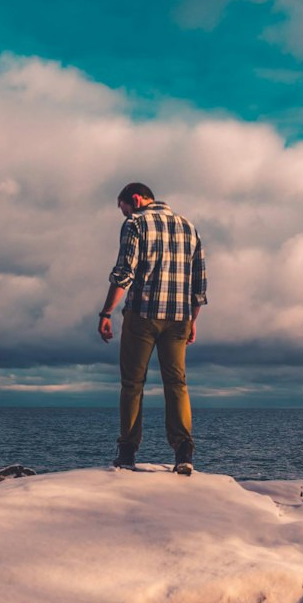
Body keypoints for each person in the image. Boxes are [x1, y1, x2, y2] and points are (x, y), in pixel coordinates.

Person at [97, 182, 207, 475]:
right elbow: (199, 285)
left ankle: (127, 452)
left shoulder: (135, 223)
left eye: (123, 209)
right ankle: (184, 452)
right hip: (180, 318)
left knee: (133, 385)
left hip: (142, 314)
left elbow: (124, 272)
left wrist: (106, 313)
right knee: (177, 384)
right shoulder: (189, 227)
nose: (124, 214)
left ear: (135, 199)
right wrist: (193, 320)